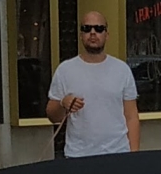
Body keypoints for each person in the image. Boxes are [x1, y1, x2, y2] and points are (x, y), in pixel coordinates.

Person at [47, 12, 139, 156]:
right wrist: (63, 103)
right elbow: (52, 116)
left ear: (107, 35)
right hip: (78, 156)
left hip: (118, 154)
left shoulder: (122, 70)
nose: (93, 33)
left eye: (99, 29)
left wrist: (134, 155)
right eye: (87, 28)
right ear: (81, 35)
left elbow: (131, 115)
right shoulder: (65, 70)